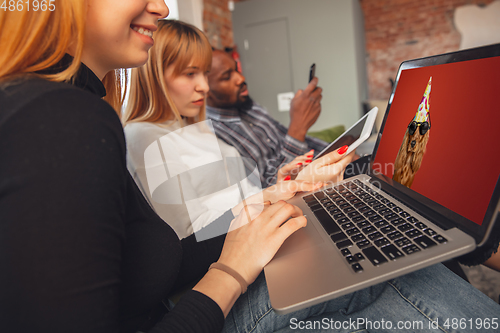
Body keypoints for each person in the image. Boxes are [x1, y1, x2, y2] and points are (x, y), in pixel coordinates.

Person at [1, 4, 499, 333]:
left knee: (373, 241)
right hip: (200, 308)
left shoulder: (69, 112)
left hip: (201, 285)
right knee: (386, 266)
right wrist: (232, 269)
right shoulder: (60, 119)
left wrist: (258, 208)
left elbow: (157, 260)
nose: (163, 6)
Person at [122, 20, 335, 239]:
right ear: (155, 75)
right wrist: (268, 197)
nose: (204, 86)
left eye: (204, 73)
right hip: (243, 246)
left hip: (265, 227)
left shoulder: (194, 126)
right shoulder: (143, 135)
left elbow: (241, 195)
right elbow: (189, 235)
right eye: (189, 74)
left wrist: (279, 186)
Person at [206, 49, 330, 187]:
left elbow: (287, 138)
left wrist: (337, 149)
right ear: (205, 89)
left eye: (236, 70)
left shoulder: (248, 106)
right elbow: (266, 192)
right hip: (306, 188)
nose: (240, 78)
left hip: (324, 169)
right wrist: (298, 128)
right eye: (227, 77)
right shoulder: (214, 137)